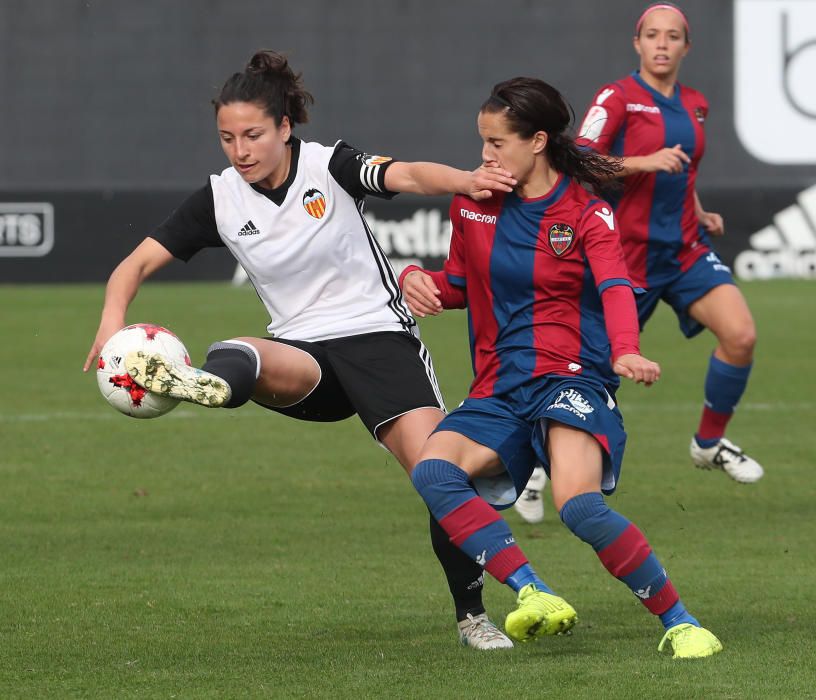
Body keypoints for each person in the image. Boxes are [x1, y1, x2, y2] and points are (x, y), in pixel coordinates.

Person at [82, 50, 521, 650]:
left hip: (379, 341)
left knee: (439, 476)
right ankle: (206, 382)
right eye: (227, 137)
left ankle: (472, 616)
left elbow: (409, 175)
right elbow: (133, 265)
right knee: (241, 349)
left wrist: (467, 180)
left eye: (253, 135)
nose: (240, 150)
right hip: (306, 356)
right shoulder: (220, 199)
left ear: (285, 127)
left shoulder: (329, 165)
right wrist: (112, 321)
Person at [400, 76, 722, 658]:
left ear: (538, 140)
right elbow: (457, 285)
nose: (485, 156)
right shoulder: (472, 203)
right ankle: (533, 590)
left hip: (570, 379)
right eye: (482, 142)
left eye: (497, 143)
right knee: (432, 472)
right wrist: (416, 281)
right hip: (498, 387)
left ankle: (682, 622)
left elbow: (617, 284)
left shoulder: (585, 210)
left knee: (578, 505)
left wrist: (625, 347)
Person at [574, 2, 762, 484]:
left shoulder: (696, 102)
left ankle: (708, 443)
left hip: (683, 250)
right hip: (625, 257)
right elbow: (581, 162)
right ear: (637, 43)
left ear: (686, 46)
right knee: (587, 371)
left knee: (740, 335)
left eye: (672, 36)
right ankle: (532, 464)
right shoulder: (616, 97)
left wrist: (698, 211)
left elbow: (682, 169)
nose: (662, 43)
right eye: (653, 35)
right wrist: (642, 162)